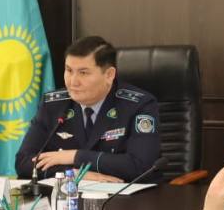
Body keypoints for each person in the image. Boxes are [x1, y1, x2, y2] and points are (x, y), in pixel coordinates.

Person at [14, 36, 160, 182]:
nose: (73, 82)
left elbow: (142, 166)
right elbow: (23, 162)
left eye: (83, 73)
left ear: (109, 75)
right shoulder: (53, 105)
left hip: (126, 194)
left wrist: (75, 156)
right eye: (69, 70)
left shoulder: (139, 105)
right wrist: (72, 174)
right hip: (69, 192)